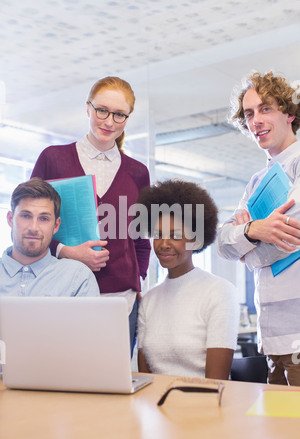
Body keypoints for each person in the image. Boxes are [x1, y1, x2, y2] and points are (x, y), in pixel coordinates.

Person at [31, 77, 151, 353]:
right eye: (102, 110)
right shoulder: (53, 159)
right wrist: (65, 251)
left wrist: (139, 278)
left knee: (112, 382)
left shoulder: (137, 172)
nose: (109, 121)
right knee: (62, 374)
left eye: (119, 114)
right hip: (62, 292)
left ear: (127, 118)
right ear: (88, 108)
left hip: (121, 300)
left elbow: (141, 239)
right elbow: (31, 228)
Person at [217, 71, 300, 385]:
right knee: (279, 433)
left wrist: (247, 251)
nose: (256, 120)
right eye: (249, 114)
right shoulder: (255, 183)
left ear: (290, 113)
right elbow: (224, 243)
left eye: (266, 109)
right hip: (272, 339)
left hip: (298, 336)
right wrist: (253, 231)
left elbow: (287, 237)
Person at [136, 179, 240, 379]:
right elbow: (145, 380)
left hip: (203, 405)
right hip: (156, 406)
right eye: (158, 234)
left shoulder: (219, 292)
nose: (164, 244)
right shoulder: (149, 300)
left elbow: (215, 383)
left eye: (175, 235)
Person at [0, 178, 100, 297]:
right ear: (10, 219)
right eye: (26, 216)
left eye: (43, 218)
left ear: (56, 225)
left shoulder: (78, 278)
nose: (34, 228)